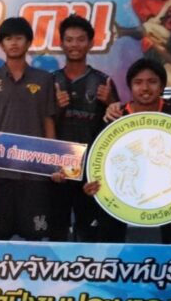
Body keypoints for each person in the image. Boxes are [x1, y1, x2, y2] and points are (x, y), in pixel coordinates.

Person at [93, 57, 171, 244]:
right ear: (130, 87)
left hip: (165, 189)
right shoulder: (116, 115)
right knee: (107, 220)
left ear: (162, 86)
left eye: (152, 82)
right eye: (138, 82)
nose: (145, 88)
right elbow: (101, 158)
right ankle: (113, 260)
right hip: (124, 189)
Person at [0, 17, 57, 241]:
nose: (13, 43)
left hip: (36, 173)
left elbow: (48, 121)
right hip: (0, 171)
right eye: (8, 39)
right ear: (1, 44)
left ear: (29, 42)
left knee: (35, 235)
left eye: (19, 38)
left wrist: (55, 161)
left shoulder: (44, 79)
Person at [49, 14, 119, 242]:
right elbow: (41, 125)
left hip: (92, 168)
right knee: (57, 232)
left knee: (89, 233)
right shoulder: (50, 81)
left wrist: (110, 101)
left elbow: (118, 126)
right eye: (69, 40)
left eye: (80, 39)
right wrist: (56, 107)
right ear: (61, 43)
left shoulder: (103, 81)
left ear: (90, 43)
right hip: (59, 168)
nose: (75, 45)